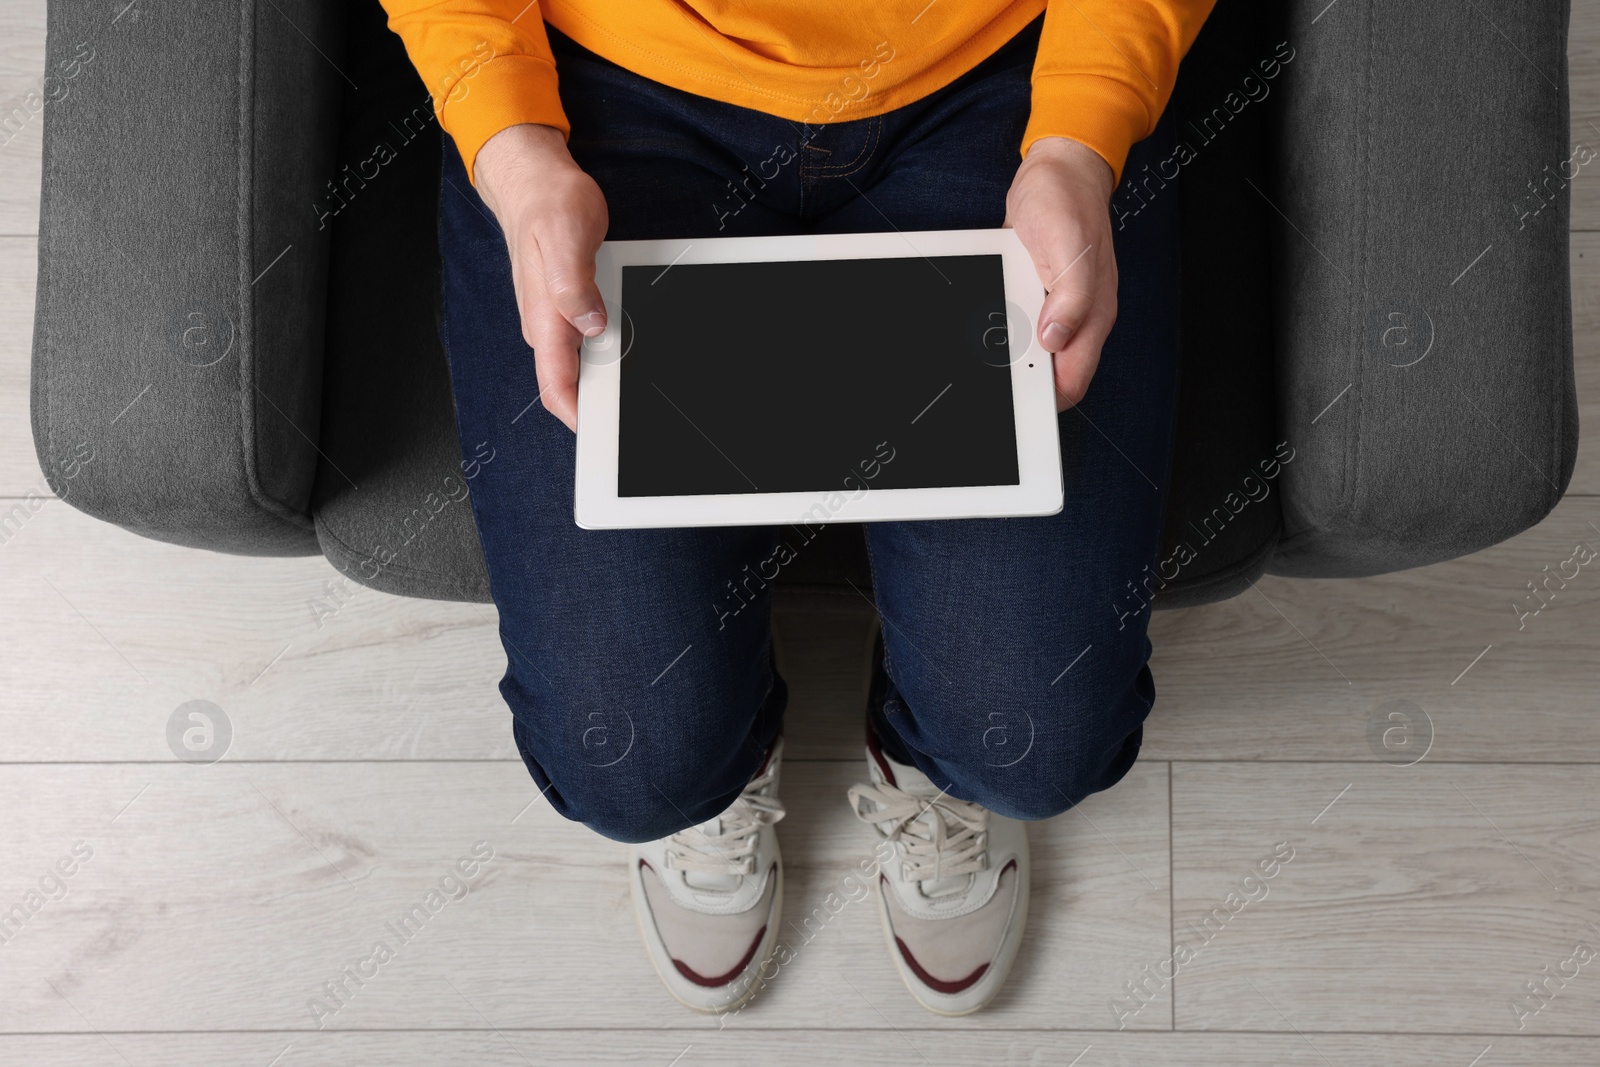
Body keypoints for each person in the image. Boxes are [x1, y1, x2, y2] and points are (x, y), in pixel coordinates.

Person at [379, 0, 1213, 1016]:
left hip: (1003, 74)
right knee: (633, 764)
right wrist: (517, 158)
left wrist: (1081, 137)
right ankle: (719, 762)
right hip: (597, 81)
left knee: (1030, 740)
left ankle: (926, 747)